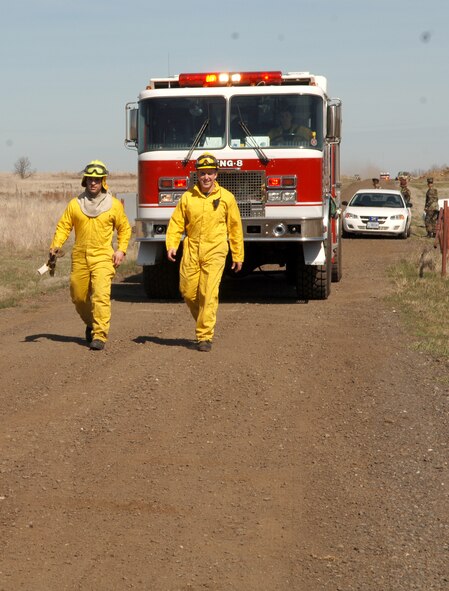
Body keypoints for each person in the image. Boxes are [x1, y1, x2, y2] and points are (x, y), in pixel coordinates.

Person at [49, 160, 132, 351]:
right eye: (90, 179)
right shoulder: (75, 204)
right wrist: (56, 245)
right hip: (79, 256)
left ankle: (100, 335)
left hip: (103, 256)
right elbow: (63, 226)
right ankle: (92, 323)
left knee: (101, 295)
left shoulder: (114, 205)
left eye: (97, 179)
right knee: (78, 297)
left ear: (103, 181)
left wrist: (121, 250)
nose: (93, 183)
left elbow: (124, 229)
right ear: (84, 181)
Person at [166, 153, 244, 352]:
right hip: (191, 249)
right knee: (188, 291)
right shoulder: (187, 197)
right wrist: (172, 244)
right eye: (202, 174)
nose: (206, 177)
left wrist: (237, 255)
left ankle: (204, 336)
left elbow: (235, 228)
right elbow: (176, 223)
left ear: (216, 174)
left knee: (208, 293)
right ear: (197, 175)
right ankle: (204, 319)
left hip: (216, 249)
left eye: (210, 173)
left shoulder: (226, 198)